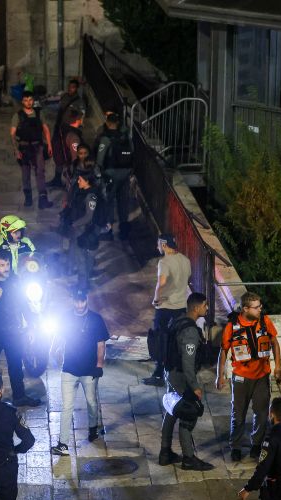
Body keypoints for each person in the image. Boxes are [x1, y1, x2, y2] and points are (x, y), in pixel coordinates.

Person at [217, 292, 281, 462]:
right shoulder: (232, 326)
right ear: (245, 308)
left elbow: (274, 343)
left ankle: (256, 444)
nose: (260, 309)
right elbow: (223, 351)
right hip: (241, 377)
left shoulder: (264, 321)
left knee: (261, 414)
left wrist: (278, 367)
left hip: (262, 375)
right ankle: (236, 446)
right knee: (238, 414)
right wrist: (220, 375)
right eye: (256, 307)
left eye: (260, 306)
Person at [0, 251, 41, 407]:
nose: (6, 268)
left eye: (8, 264)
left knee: (16, 365)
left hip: (12, 332)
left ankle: (19, 396)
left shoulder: (16, 281)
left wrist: (31, 327)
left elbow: (25, 305)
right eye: (2, 265)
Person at [159, 292, 215, 471]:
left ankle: (165, 452)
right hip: (181, 376)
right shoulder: (190, 330)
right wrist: (195, 386)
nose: (207, 308)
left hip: (170, 371)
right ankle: (189, 458)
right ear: (196, 307)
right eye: (205, 305)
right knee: (189, 413)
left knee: (172, 410)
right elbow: (188, 362)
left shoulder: (177, 320)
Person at [51, 288, 109, 457]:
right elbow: (58, 338)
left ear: (86, 300)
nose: (79, 305)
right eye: (76, 301)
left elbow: (101, 344)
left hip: (89, 370)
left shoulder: (95, 319)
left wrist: (99, 365)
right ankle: (62, 443)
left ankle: (93, 428)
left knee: (91, 402)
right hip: (69, 369)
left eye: (82, 301)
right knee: (67, 406)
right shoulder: (65, 317)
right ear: (73, 301)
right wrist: (54, 352)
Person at [142, 233, 191, 386]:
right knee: (176, 341)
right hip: (181, 305)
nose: (157, 247)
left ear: (164, 245)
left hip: (166, 307)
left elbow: (161, 283)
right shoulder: (186, 260)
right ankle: (177, 373)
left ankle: (158, 375)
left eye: (158, 244)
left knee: (160, 341)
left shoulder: (164, 262)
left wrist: (156, 299)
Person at [10, 91, 54, 209]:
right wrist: (15, 149)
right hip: (24, 148)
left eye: (30, 100)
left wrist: (49, 145)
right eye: (25, 100)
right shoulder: (18, 115)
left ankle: (42, 200)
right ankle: (28, 198)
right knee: (26, 173)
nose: (28, 102)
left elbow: (46, 129)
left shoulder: (39, 113)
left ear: (33, 100)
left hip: (37, 147)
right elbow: (13, 134)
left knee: (40, 172)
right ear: (22, 101)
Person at [95, 112, 135, 240]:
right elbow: (132, 153)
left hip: (110, 174)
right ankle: (124, 231)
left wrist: (99, 174)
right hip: (126, 173)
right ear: (117, 123)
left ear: (107, 123)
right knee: (123, 202)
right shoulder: (126, 136)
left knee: (109, 202)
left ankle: (109, 231)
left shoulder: (105, 138)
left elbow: (100, 160)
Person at [66, 170, 102, 290]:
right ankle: (83, 282)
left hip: (82, 231)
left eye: (80, 179)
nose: (78, 181)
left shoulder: (90, 196)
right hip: (80, 229)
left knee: (82, 259)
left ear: (87, 181)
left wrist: (74, 224)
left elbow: (88, 216)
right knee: (82, 258)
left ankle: (82, 286)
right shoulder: (83, 192)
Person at [49, 79, 85, 187]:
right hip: (60, 130)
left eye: (73, 87)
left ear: (77, 88)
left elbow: (80, 120)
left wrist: (72, 127)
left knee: (72, 156)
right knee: (58, 154)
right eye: (69, 86)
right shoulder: (64, 97)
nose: (70, 89)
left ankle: (74, 181)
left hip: (71, 132)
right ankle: (57, 179)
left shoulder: (80, 102)